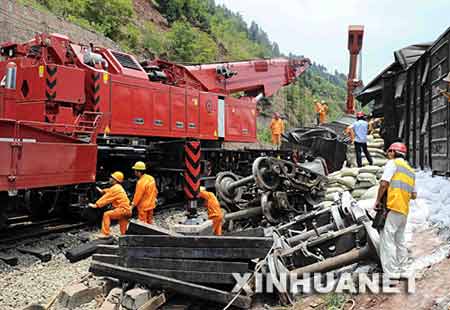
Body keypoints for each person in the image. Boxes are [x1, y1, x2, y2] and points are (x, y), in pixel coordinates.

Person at [374, 142, 417, 278]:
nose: (388, 154)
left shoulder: (393, 164)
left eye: (389, 152)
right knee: (400, 240)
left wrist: (378, 200)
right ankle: (403, 270)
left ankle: (391, 272)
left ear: (393, 152)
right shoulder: (410, 170)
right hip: (404, 209)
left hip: (393, 206)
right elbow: (414, 195)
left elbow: (384, 183)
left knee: (387, 239)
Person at [88, 171, 131, 236]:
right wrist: (102, 191)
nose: (109, 179)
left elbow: (107, 198)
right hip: (127, 210)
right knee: (123, 225)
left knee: (106, 215)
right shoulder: (118, 187)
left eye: (111, 178)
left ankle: (105, 234)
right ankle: (124, 237)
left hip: (122, 210)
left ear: (115, 180)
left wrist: (96, 205)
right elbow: (109, 191)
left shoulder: (115, 189)